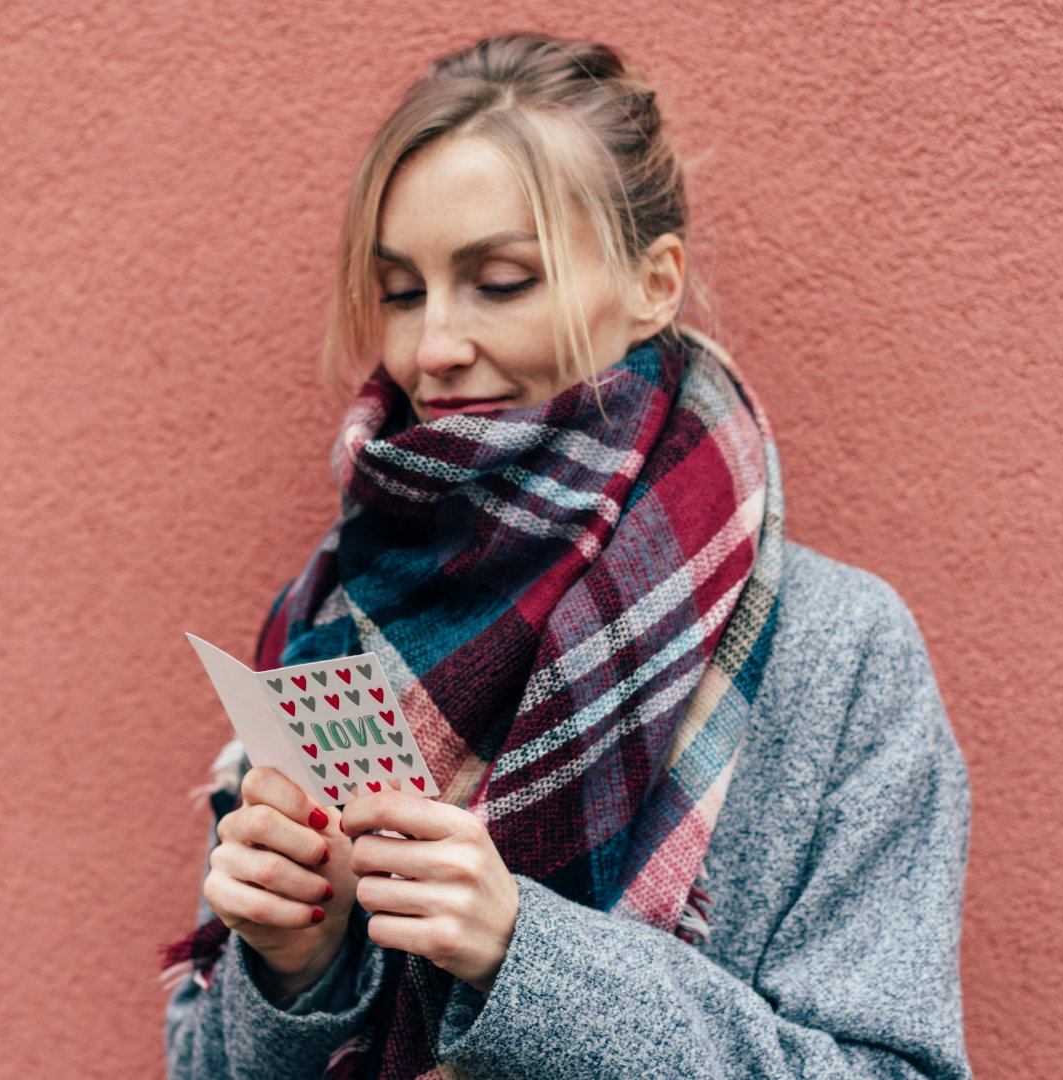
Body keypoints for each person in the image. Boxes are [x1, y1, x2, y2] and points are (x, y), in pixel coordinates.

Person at [159, 30, 972, 1080]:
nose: (432, 348)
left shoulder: (838, 653)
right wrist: (291, 972)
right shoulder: (332, 618)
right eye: (402, 292)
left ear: (654, 283)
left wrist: (525, 957)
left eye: (499, 281)